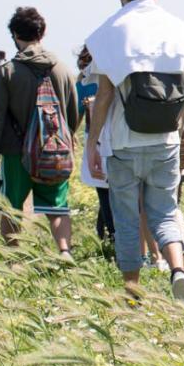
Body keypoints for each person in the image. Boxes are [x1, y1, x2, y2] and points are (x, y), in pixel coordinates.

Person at [84, 0, 184, 300]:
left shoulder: (111, 29)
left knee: (125, 220)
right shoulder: (177, 26)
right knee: (165, 212)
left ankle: (132, 292)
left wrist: (93, 143)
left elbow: (105, 95)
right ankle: (178, 270)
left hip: (123, 141)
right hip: (166, 138)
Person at [0, 7, 80, 260]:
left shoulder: (7, 72)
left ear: (15, 34)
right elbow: (73, 112)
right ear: (42, 33)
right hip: (54, 150)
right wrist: (64, 138)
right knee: (57, 207)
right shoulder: (63, 69)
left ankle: (14, 259)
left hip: (16, 153)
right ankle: (65, 252)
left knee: (11, 206)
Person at [76, 46, 114, 255]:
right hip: (118, 139)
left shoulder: (84, 82)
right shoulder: (116, 73)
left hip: (96, 141)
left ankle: (109, 235)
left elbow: (76, 114)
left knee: (104, 192)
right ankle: (110, 234)